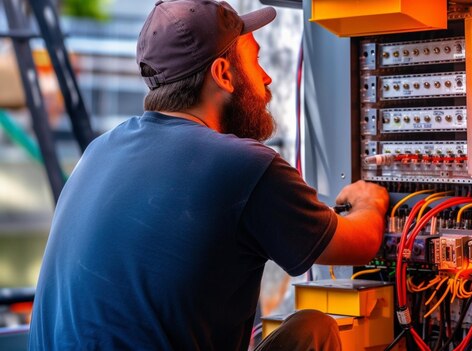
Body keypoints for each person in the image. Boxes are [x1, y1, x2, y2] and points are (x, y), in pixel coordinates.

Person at [28, 1, 389, 350]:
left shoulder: (99, 149)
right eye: (256, 61)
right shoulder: (244, 165)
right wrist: (369, 202)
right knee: (314, 330)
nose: (266, 78)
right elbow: (358, 243)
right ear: (222, 73)